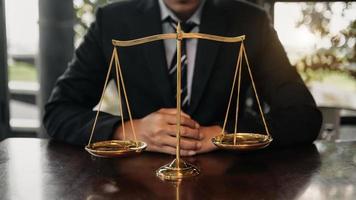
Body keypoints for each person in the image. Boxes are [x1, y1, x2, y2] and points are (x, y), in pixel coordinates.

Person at [43, 0, 322, 156]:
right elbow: (58, 112)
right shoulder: (113, 21)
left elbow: (303, 116)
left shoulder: (249, 22)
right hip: (137, 180)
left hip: (228, 181)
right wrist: (130, 130)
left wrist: (221, 135)